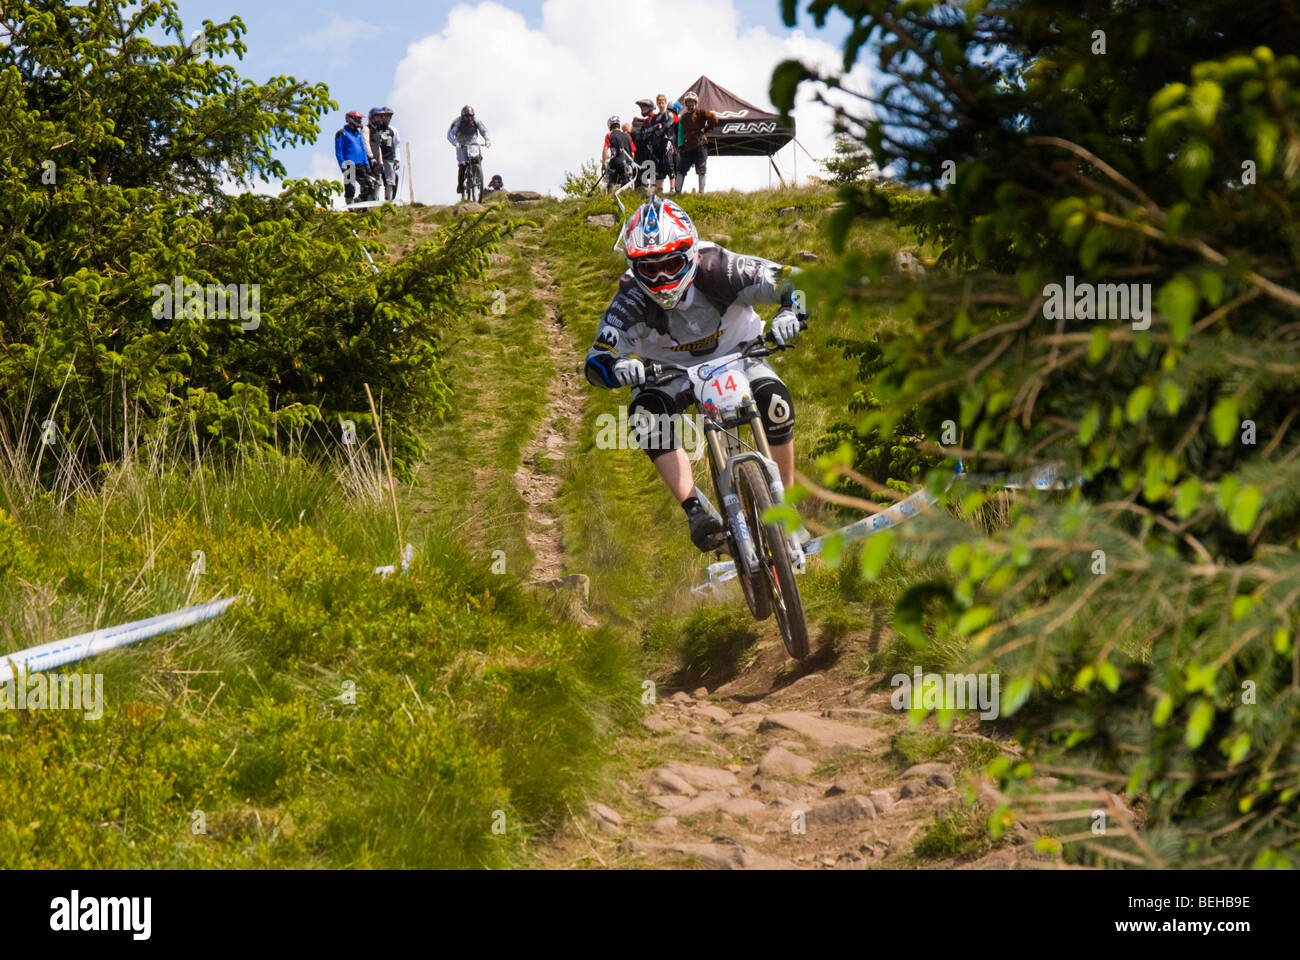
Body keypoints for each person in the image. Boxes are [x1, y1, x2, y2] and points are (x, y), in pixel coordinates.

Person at [583, 195, 808, 554]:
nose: (661, 278)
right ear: (633, 268)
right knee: (645, 416)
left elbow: (794, 280)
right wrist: (615, 368)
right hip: (670, 373)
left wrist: (789, 314)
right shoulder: (629, 300)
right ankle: (694, 509)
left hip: (740, 353)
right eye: (649, 270)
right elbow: (596, 358)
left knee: (774, 401)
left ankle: (788, 504)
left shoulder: (721, 267)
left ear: (690, 255)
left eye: (671, 264)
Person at [674, 91, 719, 194]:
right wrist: (681, 146)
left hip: (700, 145)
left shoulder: (700, 112)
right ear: (686, 103)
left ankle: (701, 193)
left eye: (692, 101)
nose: (690, 104)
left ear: (696, 102)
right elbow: (681, 133)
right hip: (687, 147)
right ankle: (677, 192)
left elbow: (714, 119)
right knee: (681, 169)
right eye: (688, 102)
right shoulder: (683, 117)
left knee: (701, 169)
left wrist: (705, 129)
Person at [334, 110, 377, 205]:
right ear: (351, 119)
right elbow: (338, 151)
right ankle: (350, 207)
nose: (360, 122)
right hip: (348, 164)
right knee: (350, 187)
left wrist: (367, 165)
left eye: (361, 119)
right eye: (358, 119)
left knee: (368, 185)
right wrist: (342, 164)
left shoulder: (358, 134)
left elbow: (363, 150)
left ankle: (362, 205)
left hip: (361, 164)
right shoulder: (342, 133)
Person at [446, 105, 491, 197]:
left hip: (473, 143)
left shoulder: (476, 121)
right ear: (463, 116)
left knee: (478, 159)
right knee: (463, 164)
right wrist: (455, 142)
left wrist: (487, 140)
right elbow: (450, 134)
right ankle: (460, 185)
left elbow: (484, 131)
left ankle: (478, 177)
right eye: (467, 116)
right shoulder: (457, 122)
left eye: (471, 116)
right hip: (461, 144)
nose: (469, 118)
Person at [640, 94, 679, 193]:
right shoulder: (654, 118)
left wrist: (658, 128)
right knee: (658, 166)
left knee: (668, 162)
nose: (661, 105)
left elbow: (668, 125)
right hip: (657, 143)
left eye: (663, 103)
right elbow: (648, 130)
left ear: (665, 103)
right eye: (659, 103)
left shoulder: (669, 114)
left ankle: (672, 188)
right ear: (657, 104)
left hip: (667, 141)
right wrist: (656, 127)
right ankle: (659, 190)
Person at [367, 106, 401, 201]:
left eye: (389, 116)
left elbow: (397, 145)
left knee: (391, 179)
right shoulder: (374, 129)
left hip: (388, 158)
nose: (386, 118)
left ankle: (389, 199)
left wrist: (397, 159)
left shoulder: (392, 130)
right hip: (377, 159)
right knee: (376, 180)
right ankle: (374, 200)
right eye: (384, 116)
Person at [601, 115, 635, 193]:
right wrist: (631, 164)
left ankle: (609, 199)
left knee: (611, 185)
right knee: (626, 186)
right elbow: (632, 153)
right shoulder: (628, 136)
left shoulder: (609, 135)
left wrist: (604, 163)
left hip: (614, 162)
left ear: (610, 125)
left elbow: (605, 149)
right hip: (627, 163)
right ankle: (625, 199)